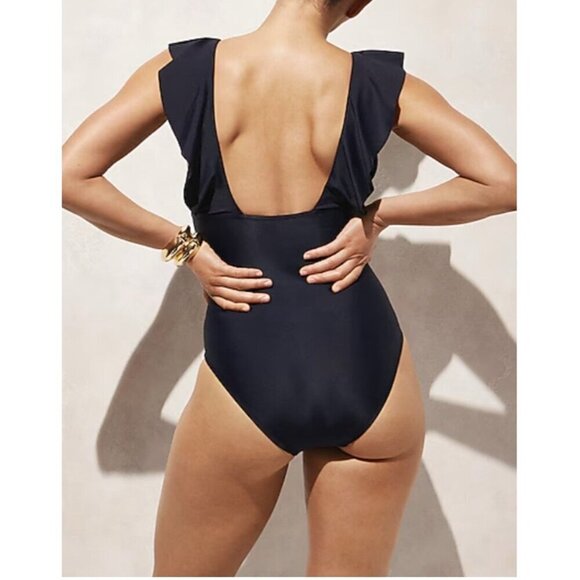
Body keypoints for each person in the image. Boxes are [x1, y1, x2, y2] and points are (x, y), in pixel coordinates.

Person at [62, 0, 516, 576]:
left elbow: (68, 175)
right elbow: (504, 183)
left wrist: (187, 248)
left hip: (249, 364)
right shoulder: (378, 81)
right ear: (358, 3)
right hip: (369, 368)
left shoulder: (188, 69)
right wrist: (379, 216)